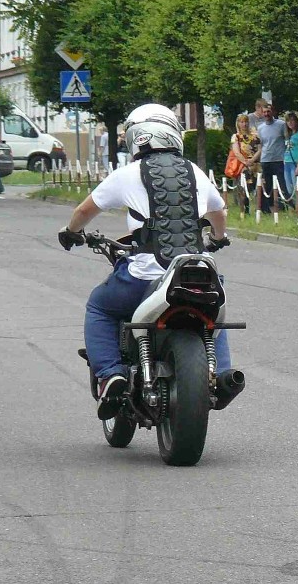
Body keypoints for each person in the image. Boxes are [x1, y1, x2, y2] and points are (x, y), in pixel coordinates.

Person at [57, 104, 236, 420]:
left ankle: (111, 373)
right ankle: (221, 375)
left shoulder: (127, 174)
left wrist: (71, 232)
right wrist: (218, 239)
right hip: (197, 268)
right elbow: (219, 212)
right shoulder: (193, 171)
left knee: (99, 307)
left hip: (144, 274)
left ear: (137, 137)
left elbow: (84, 212)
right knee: (213, 315)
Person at [257, 103, 291, 212]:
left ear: (273, 112)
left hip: (279, 159)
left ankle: (286, 206)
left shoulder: (281, 124)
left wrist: (286, 153)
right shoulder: (260, 128)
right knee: (267, 185)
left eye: (268, 111)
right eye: (264, 112)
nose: (266, 114)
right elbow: (260, 144)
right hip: (265, 159)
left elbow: (287, 139)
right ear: (262, 113)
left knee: (282, 184)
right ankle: (265, 208)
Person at [230, 114, 261, 212]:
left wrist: (252, 159)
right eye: (242, 122)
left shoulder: (255, 135)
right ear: (238, 123)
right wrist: (245, 161)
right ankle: (245, 210)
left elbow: (260, 149)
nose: (244, 124)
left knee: (259, 186)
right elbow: (236, 151)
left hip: (256, 164)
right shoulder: (236, 137)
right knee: (244, 188)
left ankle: (261, 210)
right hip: (243, 165)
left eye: (246, 122)